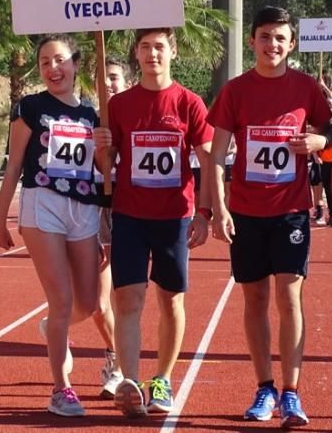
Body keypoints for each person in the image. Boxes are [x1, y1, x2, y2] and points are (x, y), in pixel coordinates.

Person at [205, 6, 332, 428]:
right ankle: (264, 387)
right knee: (254, 299)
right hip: (245, 211)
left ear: (291, 44)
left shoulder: (307, 88)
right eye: (265, 37)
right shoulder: (235, 91)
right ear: (252, 41)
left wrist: (317, 139)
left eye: (280, 38)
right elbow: (216, 155)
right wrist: (219, 207)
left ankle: (292, 393)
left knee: (289, 298)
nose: (272, 45)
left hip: (291, 211)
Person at [93, 27, 213, 418]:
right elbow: (106, 165)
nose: (152, 54)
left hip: (175, 217)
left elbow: (208, 159)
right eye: (144, 47)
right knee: (128, 298)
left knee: (170, 299)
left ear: (172, 51)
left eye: (159, 46)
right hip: (130, 214)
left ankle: (161, 377)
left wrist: (206, 212)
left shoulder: (189, 103)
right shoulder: (119, 104)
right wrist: (102, 148)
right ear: (136, 53)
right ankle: (130, 381)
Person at [0, 34, 104, 417]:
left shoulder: (92, 114)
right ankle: (62, 389)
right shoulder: (30, 106)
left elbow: (104, 170)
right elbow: (12, 165)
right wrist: (0, 221)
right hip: (43, 206)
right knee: (62, 302)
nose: (53, 68)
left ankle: (51, 327)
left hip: (84, 208)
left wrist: (106, 146)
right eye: (44, 62)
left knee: (87, 303)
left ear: (76, 63)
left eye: (60, 60)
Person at [92, 56, 131, 398]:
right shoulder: (83, 118)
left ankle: (119, 364)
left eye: (114, 77)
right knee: (96, 302)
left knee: (125, 296)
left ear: (126, 81)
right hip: (93, 211)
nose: (107, 83)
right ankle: (114, 351)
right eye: (101, 78)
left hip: (130, 209)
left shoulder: (132, 115)